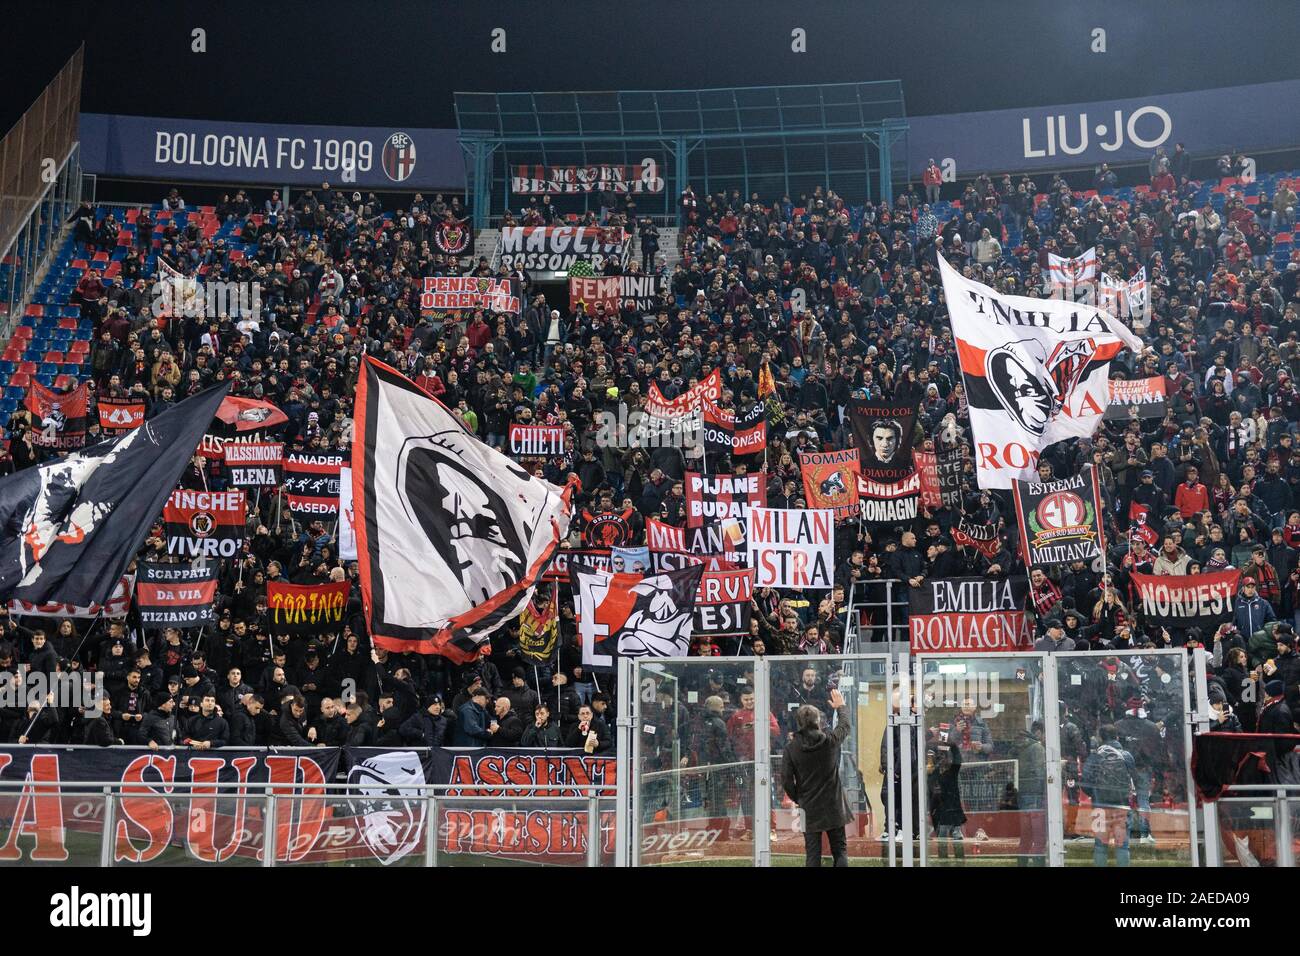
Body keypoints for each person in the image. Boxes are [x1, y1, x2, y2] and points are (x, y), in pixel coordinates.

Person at [782, 687, 853, 867]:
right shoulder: (829, 741)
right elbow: (845, 726)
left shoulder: (791, 748)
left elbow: (786, 780)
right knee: (840, 850)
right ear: (818, 721)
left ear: (799, 723)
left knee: (813, 854)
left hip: (809, 806)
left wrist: (799, 797)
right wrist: (841, 707)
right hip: (833, 804)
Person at [1081, 724, 1136, 867]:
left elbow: (1085, 783)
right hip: (1122, 806)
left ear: (1100, 738)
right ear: (1116, 737)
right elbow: (1134, 778)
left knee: (1100, 846)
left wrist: (1096, 794)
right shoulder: (1126, 756)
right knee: (1122, 845)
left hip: (1100, 807)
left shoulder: (1095, 757)